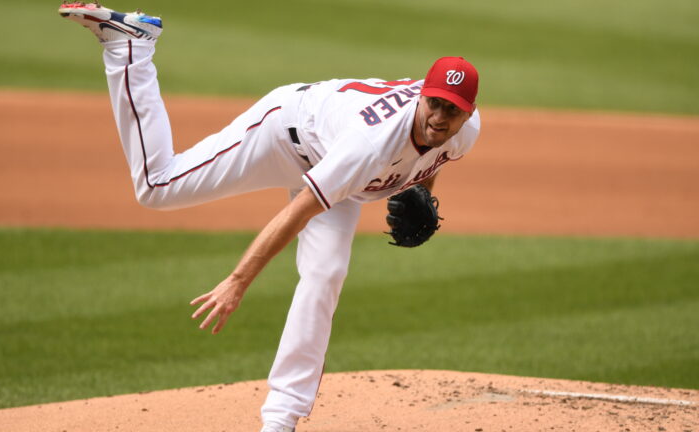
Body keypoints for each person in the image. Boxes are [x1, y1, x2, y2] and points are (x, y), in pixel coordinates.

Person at [59, 2, 481, 431]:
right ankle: (130, 48)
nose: (441, 118)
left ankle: (280, 419)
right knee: (157, 187)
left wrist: (421, 194)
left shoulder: (466, 132)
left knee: (326, 274)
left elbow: (433, 158)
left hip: (341, 175)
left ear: (468, 112)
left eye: (452, 110)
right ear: (423, 96)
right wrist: (238, 281)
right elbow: (301, 210)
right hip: (285, 135)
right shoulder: (369, 144)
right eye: (435, 104)